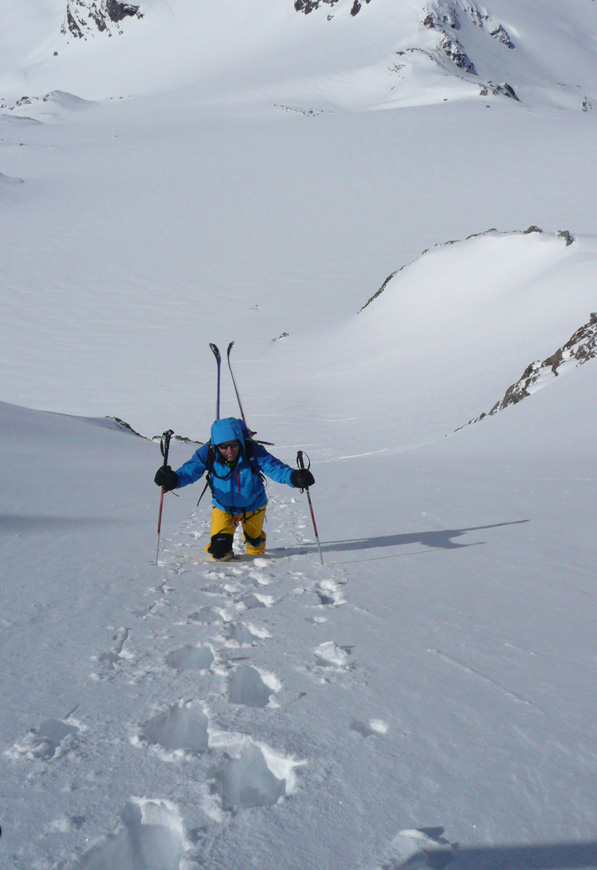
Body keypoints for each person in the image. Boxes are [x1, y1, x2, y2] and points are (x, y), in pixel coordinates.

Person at [154, 417, 314, 561]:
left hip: (254, 506)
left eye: (234, 445)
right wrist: (173, 480)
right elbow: (191, 470)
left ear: (240, 441)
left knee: (255, 547)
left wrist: (294, 477)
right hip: (224, 508)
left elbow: (274, 468)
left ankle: (254, 540)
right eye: (223, 447)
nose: (229, 451)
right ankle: (225, 548)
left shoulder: (252, 450)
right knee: (219, 553)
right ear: (216, 445)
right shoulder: (208, 452)